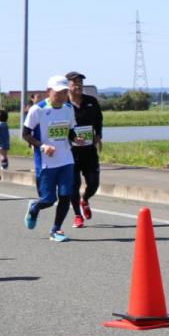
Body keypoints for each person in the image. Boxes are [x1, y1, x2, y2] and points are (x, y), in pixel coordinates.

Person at [22, 75, 86, 242]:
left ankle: (55, 230)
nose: (62, 95)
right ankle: (35, 206)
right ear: (48, 91)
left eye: (65, 92)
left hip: (66, 160)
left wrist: (75, 138)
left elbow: (70, 130)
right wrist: (43, 146)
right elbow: (25, 134)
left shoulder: (68, 108)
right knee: (49, 200)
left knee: (66, 195)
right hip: (45, 163)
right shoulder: (38, 110)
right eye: (58, 92)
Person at [65, 71, 103, 228]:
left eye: (80, 82)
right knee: (74, 184)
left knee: (94, 183)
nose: (78, 85)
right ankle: (77, 215)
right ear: (68, 85)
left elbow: (99, 120)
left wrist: (98, 135)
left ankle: (85, 199)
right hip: (71, 151)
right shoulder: (64, 105)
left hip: (89, 149)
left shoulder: (91, 101)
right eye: (74, 83)